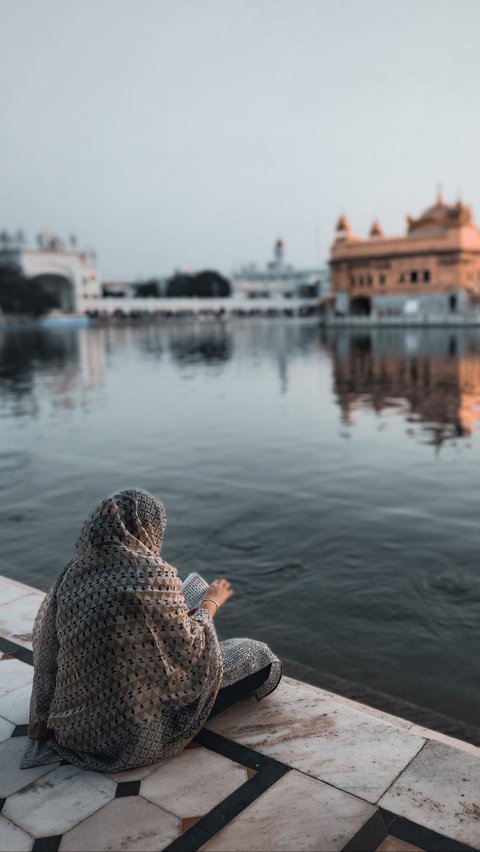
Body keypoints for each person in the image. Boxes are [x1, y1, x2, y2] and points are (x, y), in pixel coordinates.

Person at [21, 489, 281, 772]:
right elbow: (192, 654)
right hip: (132, 736)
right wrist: (210, 603)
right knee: (256, 655)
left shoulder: (71, 575)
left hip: (73, 729)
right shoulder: (152, 576)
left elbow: (49, 651)